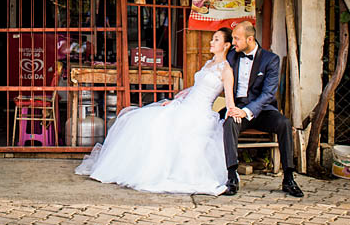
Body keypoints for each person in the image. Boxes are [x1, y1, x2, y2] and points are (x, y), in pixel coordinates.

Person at [75, 28, 236, 195]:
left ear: (226, 45)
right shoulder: (208, 64)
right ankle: (132, 167)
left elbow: (230, 100)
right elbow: (196, 88)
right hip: (184, 105)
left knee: (164, 126)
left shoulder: (226, 70)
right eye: (212, 38)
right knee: (141, 118)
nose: (211, 42)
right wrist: (175, 100)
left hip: (199, 113)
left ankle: (156, 173)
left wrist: (236, 113)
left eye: (216, 39)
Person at [222, 21, 303, 197]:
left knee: (284, 123)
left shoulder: (270, 59)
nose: (233, 42)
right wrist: (235, 109)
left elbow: (268, 94)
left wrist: (247, 111)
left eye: (237, 38)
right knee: (229, 123)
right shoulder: (231, 57)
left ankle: (288, 178)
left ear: (249, 39)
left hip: (263, 110)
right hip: (238, 108)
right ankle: (232, 176)